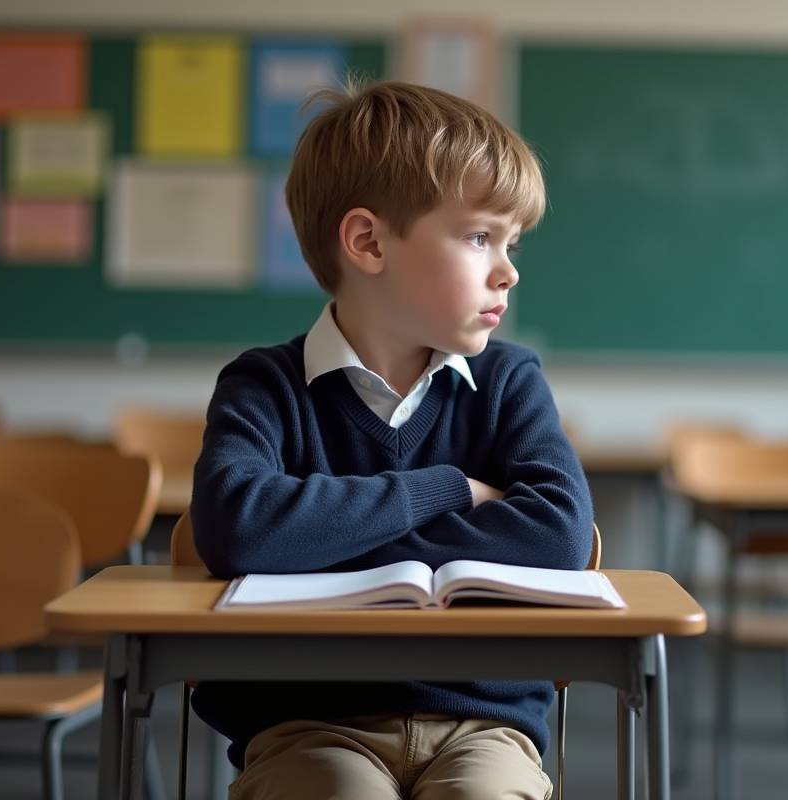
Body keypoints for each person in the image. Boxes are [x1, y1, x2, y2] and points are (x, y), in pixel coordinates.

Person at [190, 78, 595, 800]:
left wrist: (315, 544)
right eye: (479, 237)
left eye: (511, 241)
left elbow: (559, 535)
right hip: (307, 722)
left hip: (486, 724)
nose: (509, 270)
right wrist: (451, 490)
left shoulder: (509, 381)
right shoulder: (264, 387)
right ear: (369, 242)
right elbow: (238, 529)